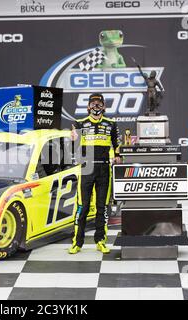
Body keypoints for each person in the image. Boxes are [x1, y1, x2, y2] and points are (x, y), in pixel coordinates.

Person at [69, 93, 121, 254]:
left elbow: (117, 145)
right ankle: (77, 243)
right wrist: (73, 141)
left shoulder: (111, 124)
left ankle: (101, 240)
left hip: (104, 169)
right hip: (86, 169)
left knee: (102, 207)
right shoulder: (79, 123)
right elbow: (73, 150)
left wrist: (118, 156)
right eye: (93, 104)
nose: (96, 107)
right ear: (88, 106)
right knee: (82, 207)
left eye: (99, 104)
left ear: (104, 106)